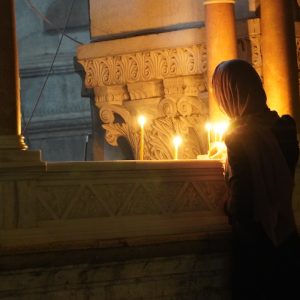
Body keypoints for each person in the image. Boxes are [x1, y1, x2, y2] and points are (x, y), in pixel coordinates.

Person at [212, 59, 300, 300]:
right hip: (288, 239)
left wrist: (224, 205)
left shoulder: (239, 137)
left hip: (257, 251)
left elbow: (242, 202)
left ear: (230, 94)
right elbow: (276, 168)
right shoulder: (285, 127)